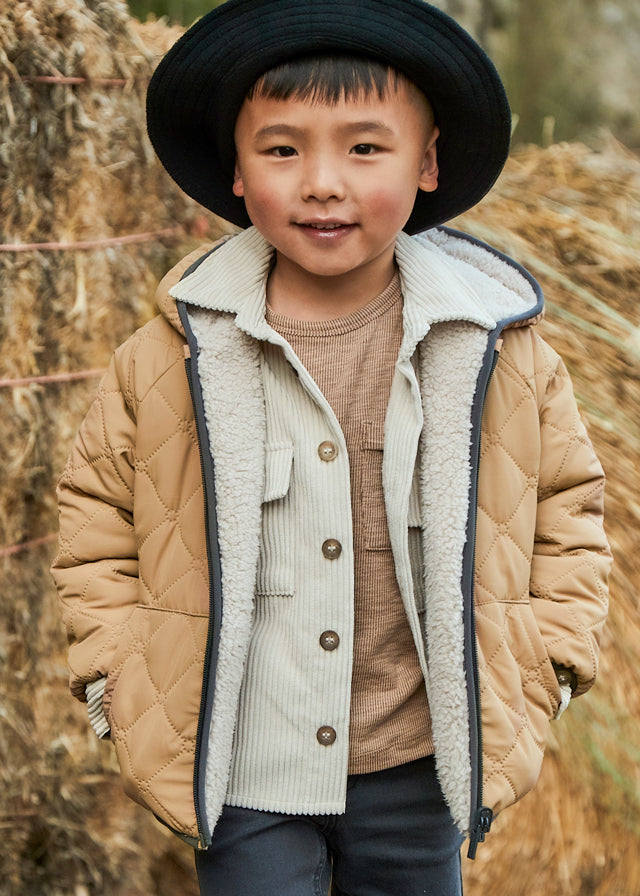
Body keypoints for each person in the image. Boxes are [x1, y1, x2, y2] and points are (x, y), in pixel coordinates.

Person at [52, 0, 612, 893]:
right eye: (282, 150)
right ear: (237, 171)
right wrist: (119, 678)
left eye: (365, 148)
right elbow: (96, 521)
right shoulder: (169, 358)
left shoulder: (496, 350)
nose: (321, 182)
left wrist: (544, 664)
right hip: (244, 771)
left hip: (420, 767)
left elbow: (568, 510)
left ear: (426, 163)